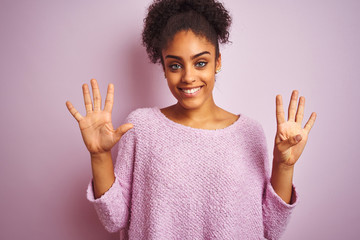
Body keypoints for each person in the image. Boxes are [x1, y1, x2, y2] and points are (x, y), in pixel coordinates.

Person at [66, 0, 317, 239]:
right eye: (175, 65)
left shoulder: (250, 132)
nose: (188, 76)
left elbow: (272, 227)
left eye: (200, 62)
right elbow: (114, 219)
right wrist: (99, 156)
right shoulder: (140, 127)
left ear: (217, 62)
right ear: (163, 67)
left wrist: (283, 166)